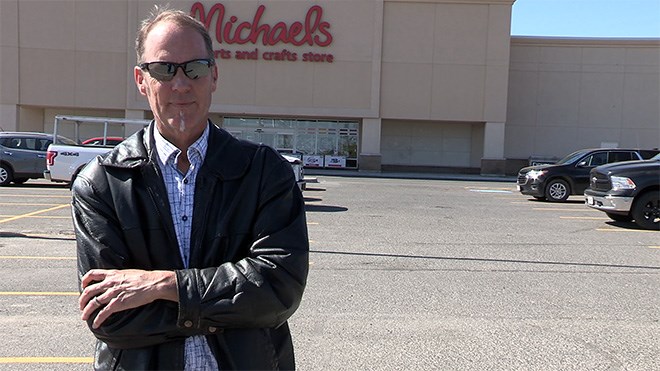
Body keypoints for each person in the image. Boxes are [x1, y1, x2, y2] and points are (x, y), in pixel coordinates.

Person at [73, 7, 309, 370]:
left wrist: (164, 286)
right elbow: (110, 316)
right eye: (164, 70)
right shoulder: (102, 182)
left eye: (194, 68)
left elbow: (279, 289)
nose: (181, 84)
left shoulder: (265, 173)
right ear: (141, 79)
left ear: (213, 75)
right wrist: (228, 303)